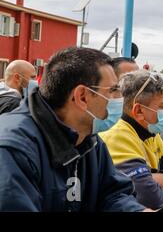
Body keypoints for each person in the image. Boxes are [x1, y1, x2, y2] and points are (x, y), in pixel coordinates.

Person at [0, 47, 147, 211]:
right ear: (82, 96)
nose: (120, 97)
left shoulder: (88, 138)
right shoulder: (12, 149)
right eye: (113, 90)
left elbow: (112, 194)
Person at [100, 71, 163, 209]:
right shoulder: (117, 136)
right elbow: (151, 199)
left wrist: (149, 178)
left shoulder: (151, 132)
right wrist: (157, 181)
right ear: (139, 111)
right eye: (162, 106)